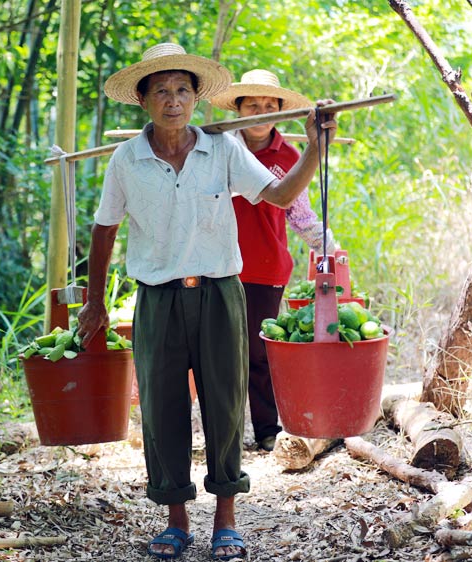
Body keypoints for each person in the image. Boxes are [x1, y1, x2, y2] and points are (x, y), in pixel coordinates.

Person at [76, 42, 337, 561]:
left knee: (223, 402)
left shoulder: (221, 150)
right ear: (143, 101)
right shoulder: (127, 159)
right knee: (162, 406)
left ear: (196, 98)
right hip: (156, 298)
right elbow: (104, 230)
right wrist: (95, 301)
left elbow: (282, 197)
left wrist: (315, 148)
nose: (173, 100)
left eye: (182, 91)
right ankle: (175, 520)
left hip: (220, 293)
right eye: (161, 92)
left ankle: (226, 520)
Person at [211, 69, 338, 453]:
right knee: (218, 355)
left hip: (265, 270)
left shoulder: (289, 156)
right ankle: (221, 434)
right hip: (217, 267)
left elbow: (299, 216)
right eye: (253, 105)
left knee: (260, 354)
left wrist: (331, 250)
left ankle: (267, 430)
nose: (261, 111)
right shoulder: (217, 150)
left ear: (281, 111)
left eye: (270, 105)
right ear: (238, 109)